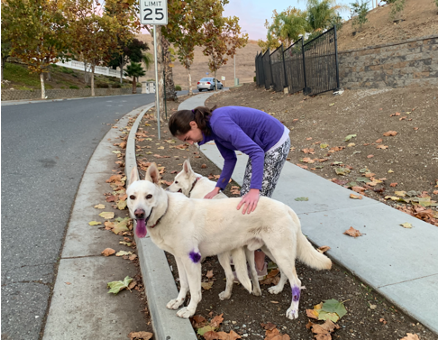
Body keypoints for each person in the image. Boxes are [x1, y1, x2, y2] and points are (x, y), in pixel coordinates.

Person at [168, 105, 291, 279]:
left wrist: (256, 190)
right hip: (262, 147)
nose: (190, 143)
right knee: (246, 200)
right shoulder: (212, 128)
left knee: (254, 206)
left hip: (274, 143)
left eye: (187, 138)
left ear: (194, 124)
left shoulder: (219, 124)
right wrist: (218, 187)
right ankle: (246, 252)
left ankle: (259, 267)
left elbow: (255, 152)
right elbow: (229, 158)